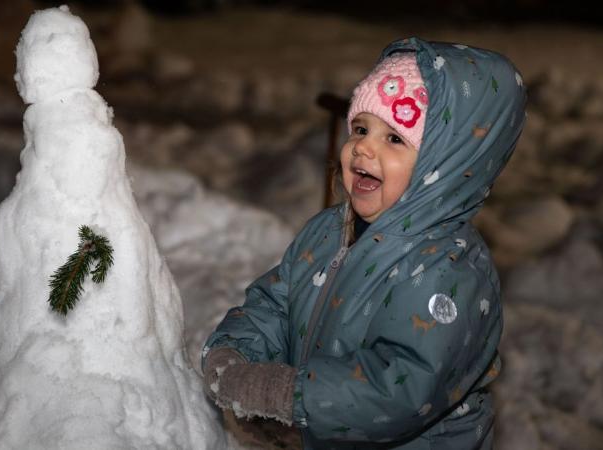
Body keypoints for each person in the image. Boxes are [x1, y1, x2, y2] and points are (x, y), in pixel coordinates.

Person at [202, 36, 527, 449]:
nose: (363, 148)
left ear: (444, 166)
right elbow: (276, 303)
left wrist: (291, 395)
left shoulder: (448, 271)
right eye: (360, 128)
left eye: (394, 138)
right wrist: (235, 352)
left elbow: (398, 389)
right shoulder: (327, 232)